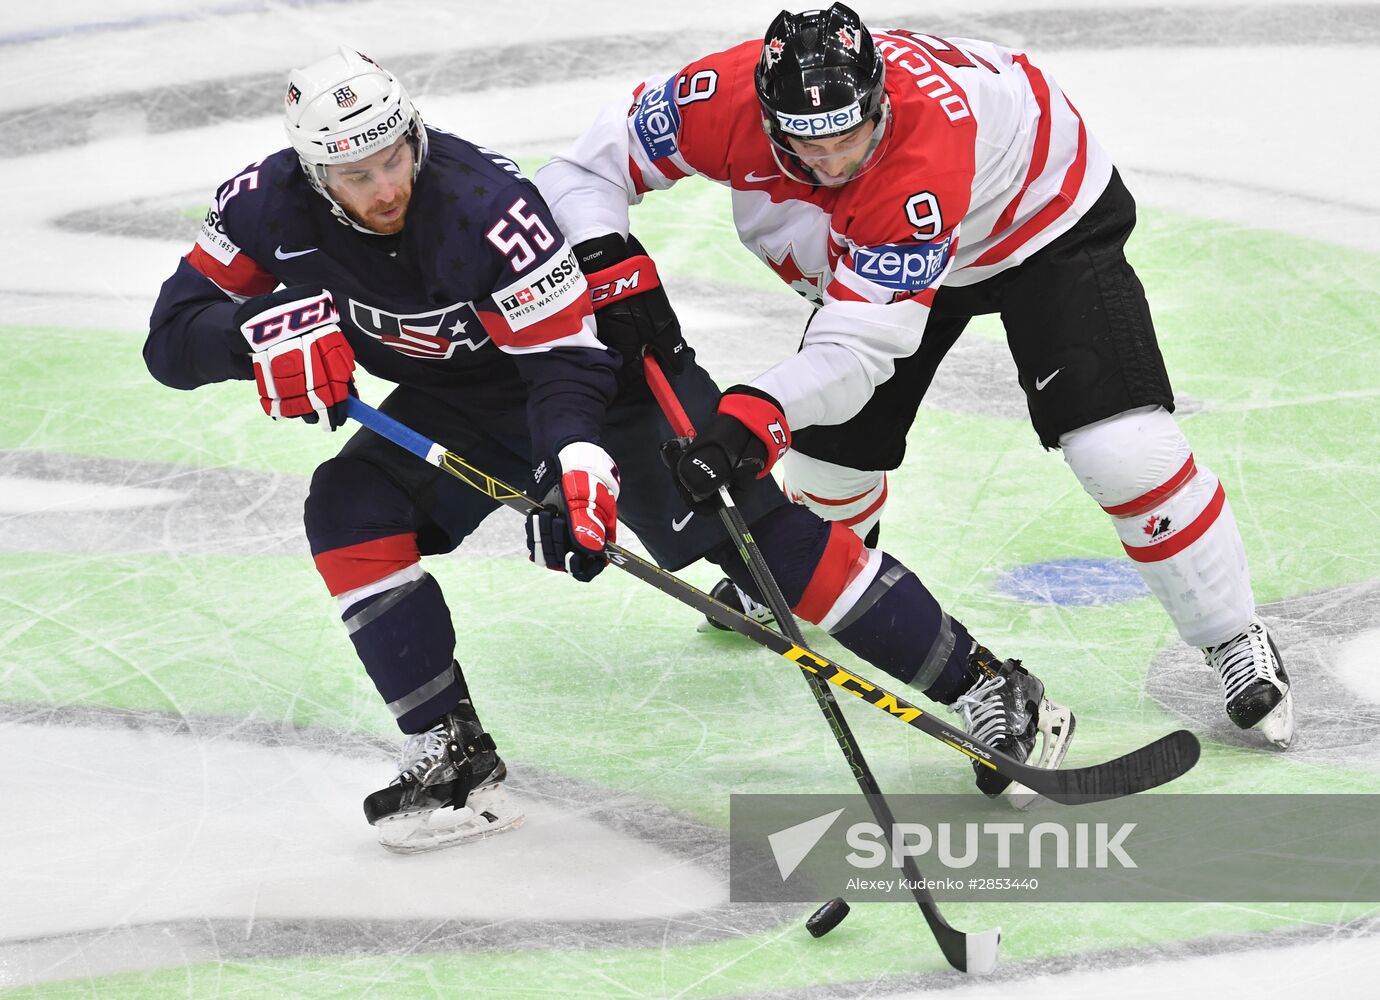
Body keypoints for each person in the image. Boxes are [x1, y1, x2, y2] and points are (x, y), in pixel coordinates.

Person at [144, 47, 1074, 854]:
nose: (385, 186)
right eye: (357, 176)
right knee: (347, 511)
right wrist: (252, 332)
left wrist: (576, 470)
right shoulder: (263, 207)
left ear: (414, 136)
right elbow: (169, 339)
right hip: (457, 400)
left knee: (764, 544)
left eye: (394, 157)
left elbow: (563, 368)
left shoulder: (485, 207)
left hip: (601, 383)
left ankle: (989, 684)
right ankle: (449, 747)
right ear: (314, 176)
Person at [533, 3, 1293, 749]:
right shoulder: (718, 100)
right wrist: (607, 259)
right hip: (891, 240)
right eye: (806, 143)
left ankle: (1230, 632)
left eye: (849, 136)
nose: (830, 162)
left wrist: (754, 413)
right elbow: (581, 169)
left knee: (1120, 450)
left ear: (879, 101)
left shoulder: (918, 161)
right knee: (827, 466)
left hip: (1041, 218)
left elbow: (860, 352)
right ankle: (817, 584)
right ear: (765, 117)